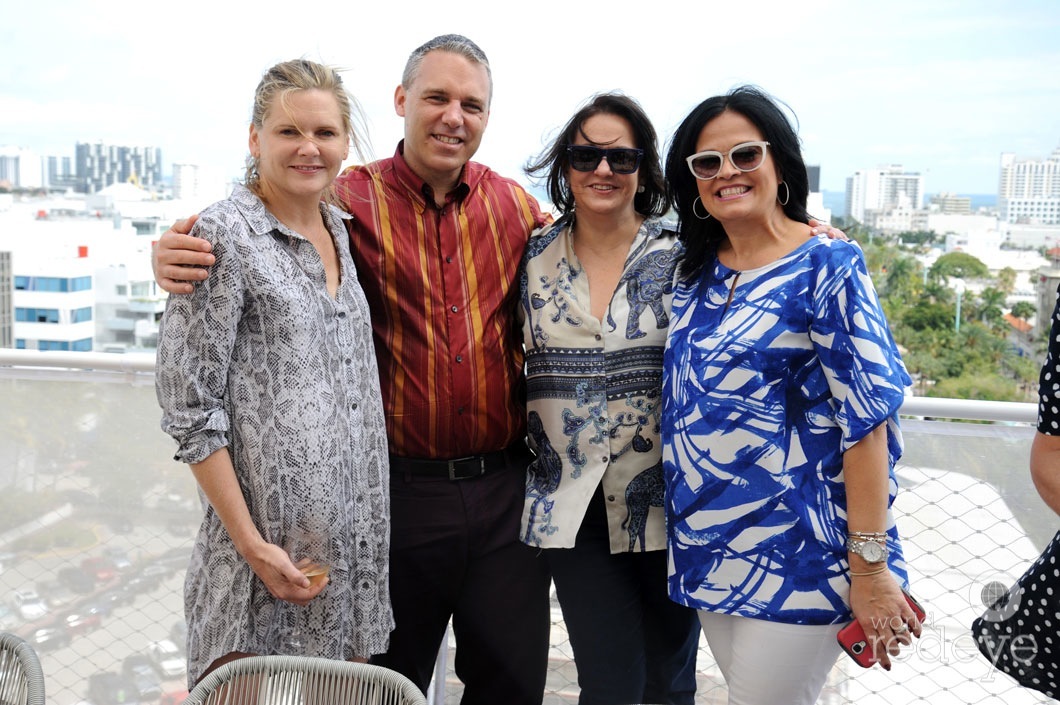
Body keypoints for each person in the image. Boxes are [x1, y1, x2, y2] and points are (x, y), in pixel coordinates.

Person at [152, 35, 552, 704]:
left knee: (500, 686)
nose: (454, 115)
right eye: (436, 97)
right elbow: (247, 224)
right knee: (378, 687)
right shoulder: (347, 201)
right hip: (395, 498)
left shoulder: (510, 206)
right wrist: (169, 252)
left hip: (490, 496)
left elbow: (596, 242)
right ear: (401, 102)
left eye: (472, 104)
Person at [660, 85, 920, 705]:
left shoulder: (827, 265)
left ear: (781, 164)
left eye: (745, 155)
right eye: (707, 162)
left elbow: (867, 422)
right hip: (707, 547)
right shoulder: (693, 273)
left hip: (800, 555)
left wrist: (872, 568)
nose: (727, 172)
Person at [154, 59, 392, 687]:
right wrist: (254, 548)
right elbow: (190, 410)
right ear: (254, 138)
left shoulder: (341, 230)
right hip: (256, 566)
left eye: (325, 133)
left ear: (345, 144)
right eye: (289, 132)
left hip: (347, 562)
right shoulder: (222, 236)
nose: (309, 148)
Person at [518, 92, 700, 705]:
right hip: (575, 503)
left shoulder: (686, 256)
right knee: (609, 681)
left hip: (673, 499)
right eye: (586, 155)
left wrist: (811, 227)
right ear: (564, 168)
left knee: (670, 679)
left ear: (645, 170)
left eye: (621, 158)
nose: (603, 170)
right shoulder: (529, 255)